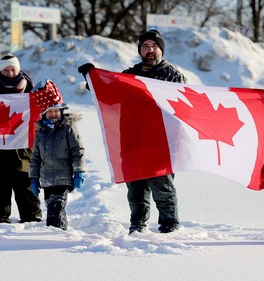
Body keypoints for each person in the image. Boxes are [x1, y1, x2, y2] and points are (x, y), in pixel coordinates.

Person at [79, 29, 187, 234]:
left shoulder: (172, 76)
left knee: (162, 187)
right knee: (135, 188)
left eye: (154, 46)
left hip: (160, 143)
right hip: (132, 139)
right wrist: (91, 77)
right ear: (140, 50)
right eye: (146, 46)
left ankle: (170, 225)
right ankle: (138, 225)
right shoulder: (129, 76)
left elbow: (182, 107)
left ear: (161, 50)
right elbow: (108, 94)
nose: (150, 50)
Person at [0, 54, 42, 223]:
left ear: (18, 69)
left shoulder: (30, 91)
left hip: (23, 150)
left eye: (13, 69)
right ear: (0, 70)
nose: (10, 73)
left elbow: (47, 109)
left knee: (26, 188)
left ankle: (32, 220)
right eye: (6, 70)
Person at [29, 80, 86, 230]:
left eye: (56, 110)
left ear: (61, 111)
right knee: (52, 209)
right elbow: (35, 157)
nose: (54, 114)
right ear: (44, 114)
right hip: (47, 178)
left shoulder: (68, 128)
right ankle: (60, 231)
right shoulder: (40, 132)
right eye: (50, 111)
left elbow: (77, 151)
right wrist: (33, 177)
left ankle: (56, 234)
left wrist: (79, 171)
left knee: (56, 207)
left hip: (64, 176)